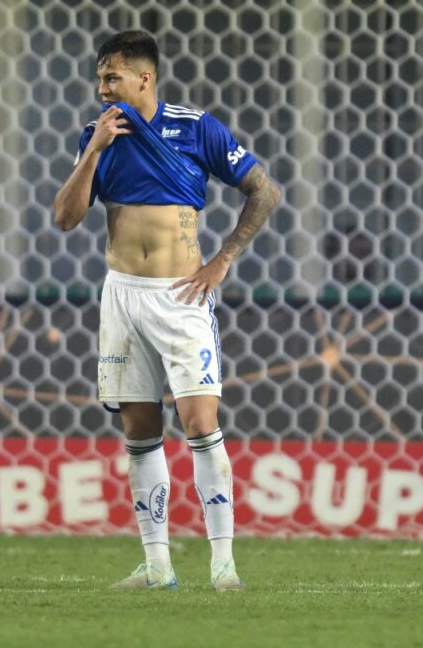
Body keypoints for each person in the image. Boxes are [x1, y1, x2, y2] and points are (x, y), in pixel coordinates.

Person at [54, 30, 281, 591]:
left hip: (182, 297)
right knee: (139, 428)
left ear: (143, 77)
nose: (102, 88)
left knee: (201, 422)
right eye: (100, 78)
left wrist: (223, 258)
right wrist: (93, 151)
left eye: (112, 77)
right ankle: (157, 568)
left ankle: (223, 565)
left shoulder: (196, 127)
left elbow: (264, 191)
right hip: (122, 295)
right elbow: (65, 218)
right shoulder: (99, 135)